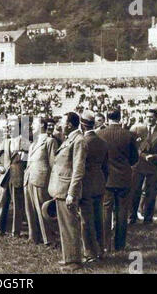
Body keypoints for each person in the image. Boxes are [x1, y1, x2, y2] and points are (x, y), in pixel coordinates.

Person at [48, 112, 86, 272]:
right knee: (64, 226)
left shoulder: (78, 140)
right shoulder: (70, 138)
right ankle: (68, 257)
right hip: (61, 188)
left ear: (69, 124)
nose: (59, 125)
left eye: (62, 122)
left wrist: (72, 192)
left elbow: (78, 170)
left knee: (70, 226)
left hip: (67, 190)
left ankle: (74, 261)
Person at [97, 108, 138, 253]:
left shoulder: (100, 134)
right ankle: (120, 245)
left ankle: (106, 244)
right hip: (124, 178)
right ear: (120, 118)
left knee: (106, 211)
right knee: (122, 212)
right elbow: (134, 158)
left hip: (107, 178)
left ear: (107, 118)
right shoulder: (129, 135)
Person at [129, 109, 157, 224]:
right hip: (138, 165)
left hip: (155, 167)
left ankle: (148, 219)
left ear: (156, 118)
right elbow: (134, 148)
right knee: (134, 191)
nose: (149, 119)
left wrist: (155, 157)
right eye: (147, 116)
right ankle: (131, 217)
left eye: (152, 117)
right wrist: (144, 156)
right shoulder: (138, 130)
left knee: (151, 193)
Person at [79, 111, 109, 262]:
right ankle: (101, 249)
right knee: (98, 218)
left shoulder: (82, 142)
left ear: (82, 125)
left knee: (86, 220)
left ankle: (89, 252)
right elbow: (106, 167)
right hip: (99, 183)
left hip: (85, 185)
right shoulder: (102, 142)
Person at [24, 118, 58, 245]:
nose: (31, 126)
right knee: (30, 209)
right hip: (29, 178)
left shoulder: (50, 141)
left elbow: (53, 165)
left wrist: (53, 185)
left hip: (41, 179)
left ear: (42, 125)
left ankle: (48, 239)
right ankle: (33, 237)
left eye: (34, 124)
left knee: (42, 209)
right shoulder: (33, 143)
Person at [0, 117, 28, 237]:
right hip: (5, 177)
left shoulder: (25, 141)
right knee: (2, 204)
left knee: (18, 205)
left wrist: (25, 158)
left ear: (18, 128)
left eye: (13, 126)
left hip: (18, 177)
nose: (10, 129)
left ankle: (16, 232)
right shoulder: (5, 141)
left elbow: (29, 160)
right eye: (9, 126)